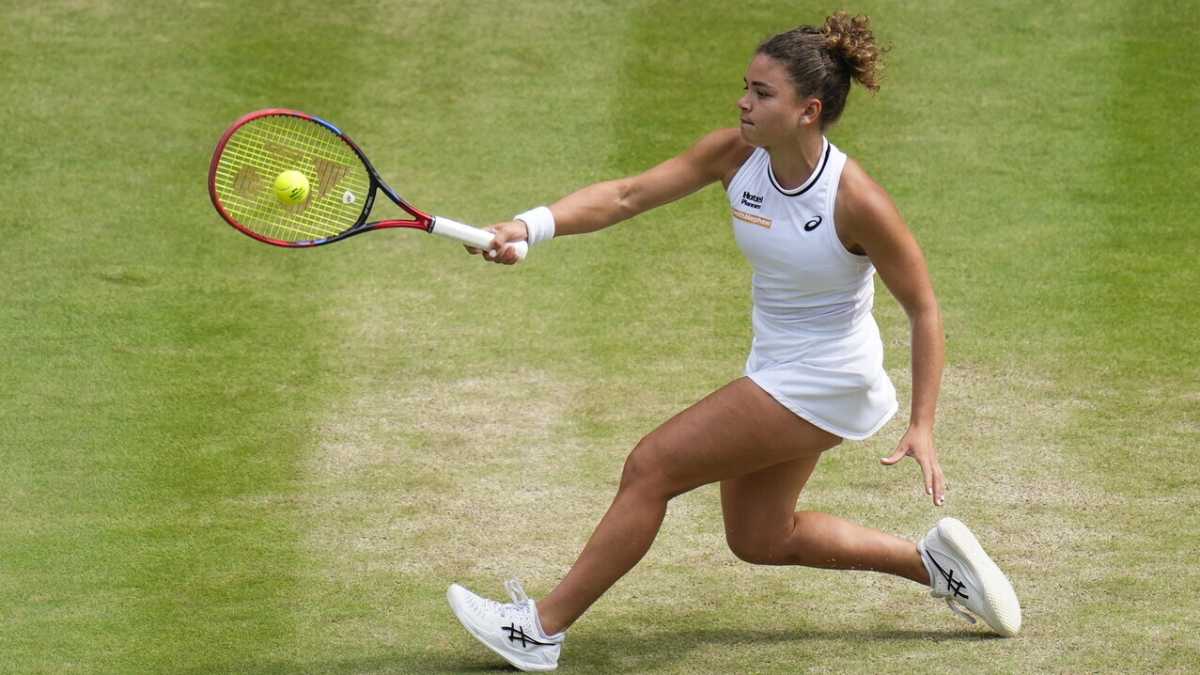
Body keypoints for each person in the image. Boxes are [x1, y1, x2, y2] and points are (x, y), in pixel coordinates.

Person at [447, 12, 1021, 672]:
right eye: (745, 86)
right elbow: (629, 195)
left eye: (761, 93)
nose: (743, 102)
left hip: (826, 375)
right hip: (779, 362)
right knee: (759, 536)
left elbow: (923, 307)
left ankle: (540, 629)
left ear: (808, 111)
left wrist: (923, 421)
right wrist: (528, 226)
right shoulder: (734, 156)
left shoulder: (855, 199)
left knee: (651, 466)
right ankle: (935, 565)